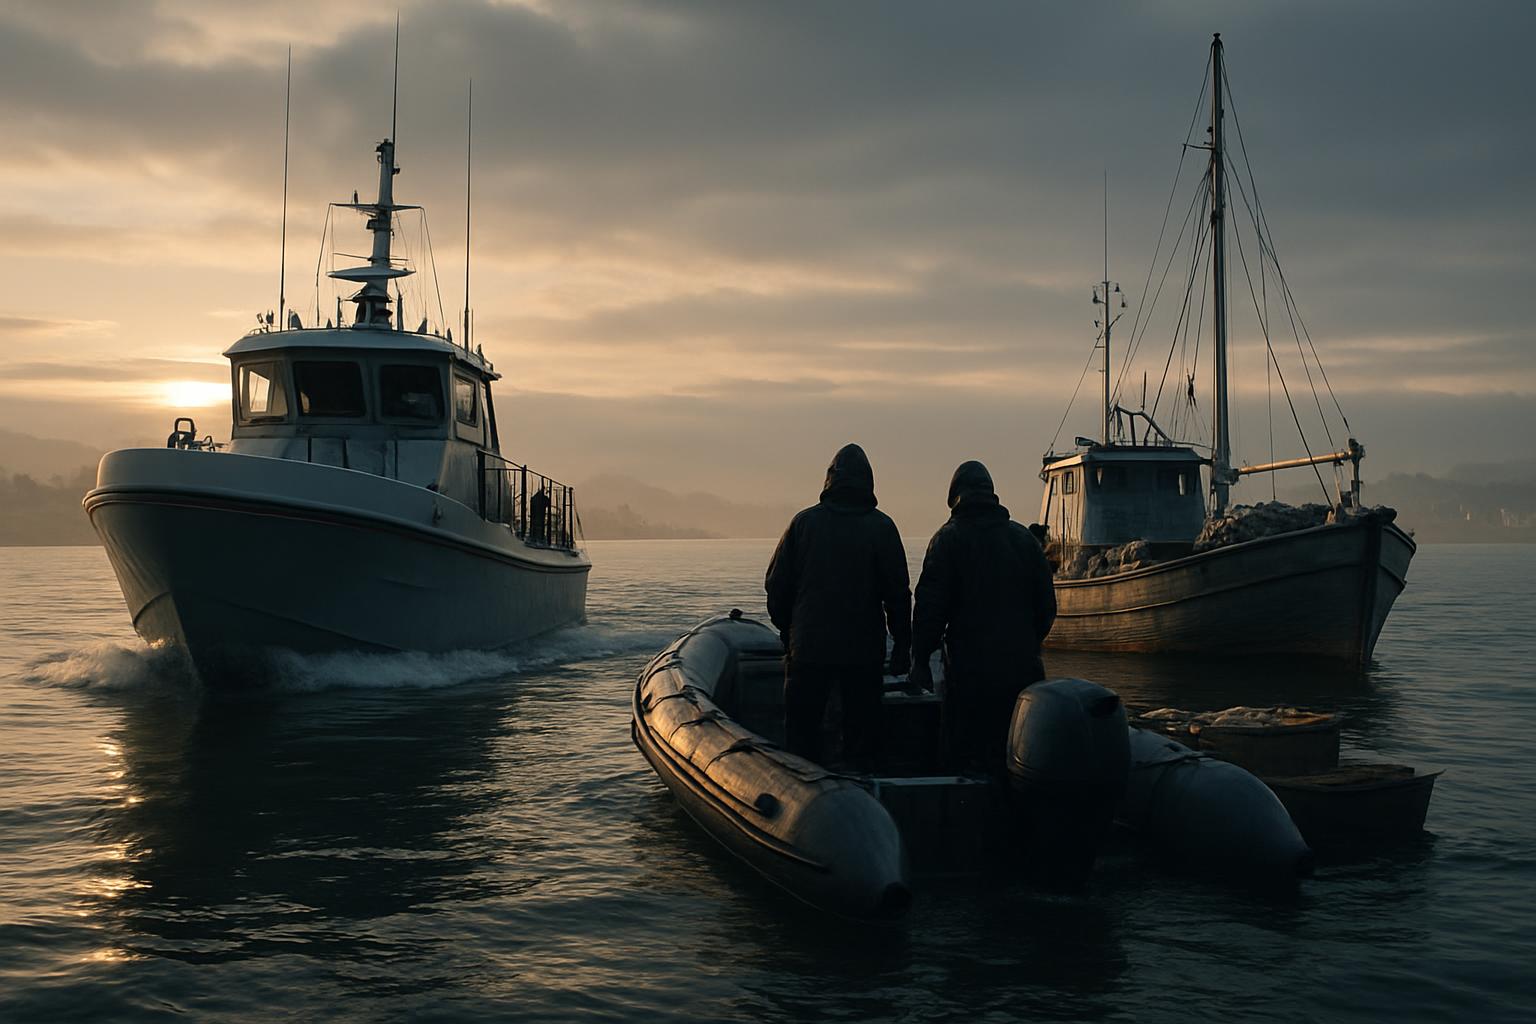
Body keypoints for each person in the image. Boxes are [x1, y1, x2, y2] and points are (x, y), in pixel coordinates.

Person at [766, 443, 911, 769]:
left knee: (802, 738)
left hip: (809, 650)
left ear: (830, 480)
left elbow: (776, 586)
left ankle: (802, 804)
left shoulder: (803, 525)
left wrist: (787, 631)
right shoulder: (883, 528)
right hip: (863, 654)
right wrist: (902, 646)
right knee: (862, 740)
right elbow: (899, 596)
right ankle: (861, 794)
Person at [909, 460, 1056, 779]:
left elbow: (930, 610)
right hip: (1024, 673)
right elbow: (1047, 608)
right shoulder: (1025, 541)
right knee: (1016, 755)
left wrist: (920, 659)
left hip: (969, 675)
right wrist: (1027, 644)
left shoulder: (947, 540)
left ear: (955, 498)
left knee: (963, 759)